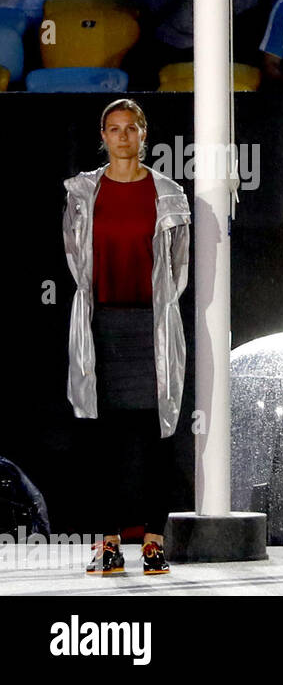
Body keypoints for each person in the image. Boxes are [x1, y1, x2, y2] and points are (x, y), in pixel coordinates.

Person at [63, 99, 192, 576]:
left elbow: (177, 268)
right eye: (113, 129)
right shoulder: (82, 192)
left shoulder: (168, 194)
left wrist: (156, 310)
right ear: (103, 135)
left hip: (151, 328)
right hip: (100, 327)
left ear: (144, 134)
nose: (122, 137)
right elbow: (76, 258)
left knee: (155, 441)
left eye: (130, 129)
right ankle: (109, 545)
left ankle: (154, 544)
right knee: (103, 442)